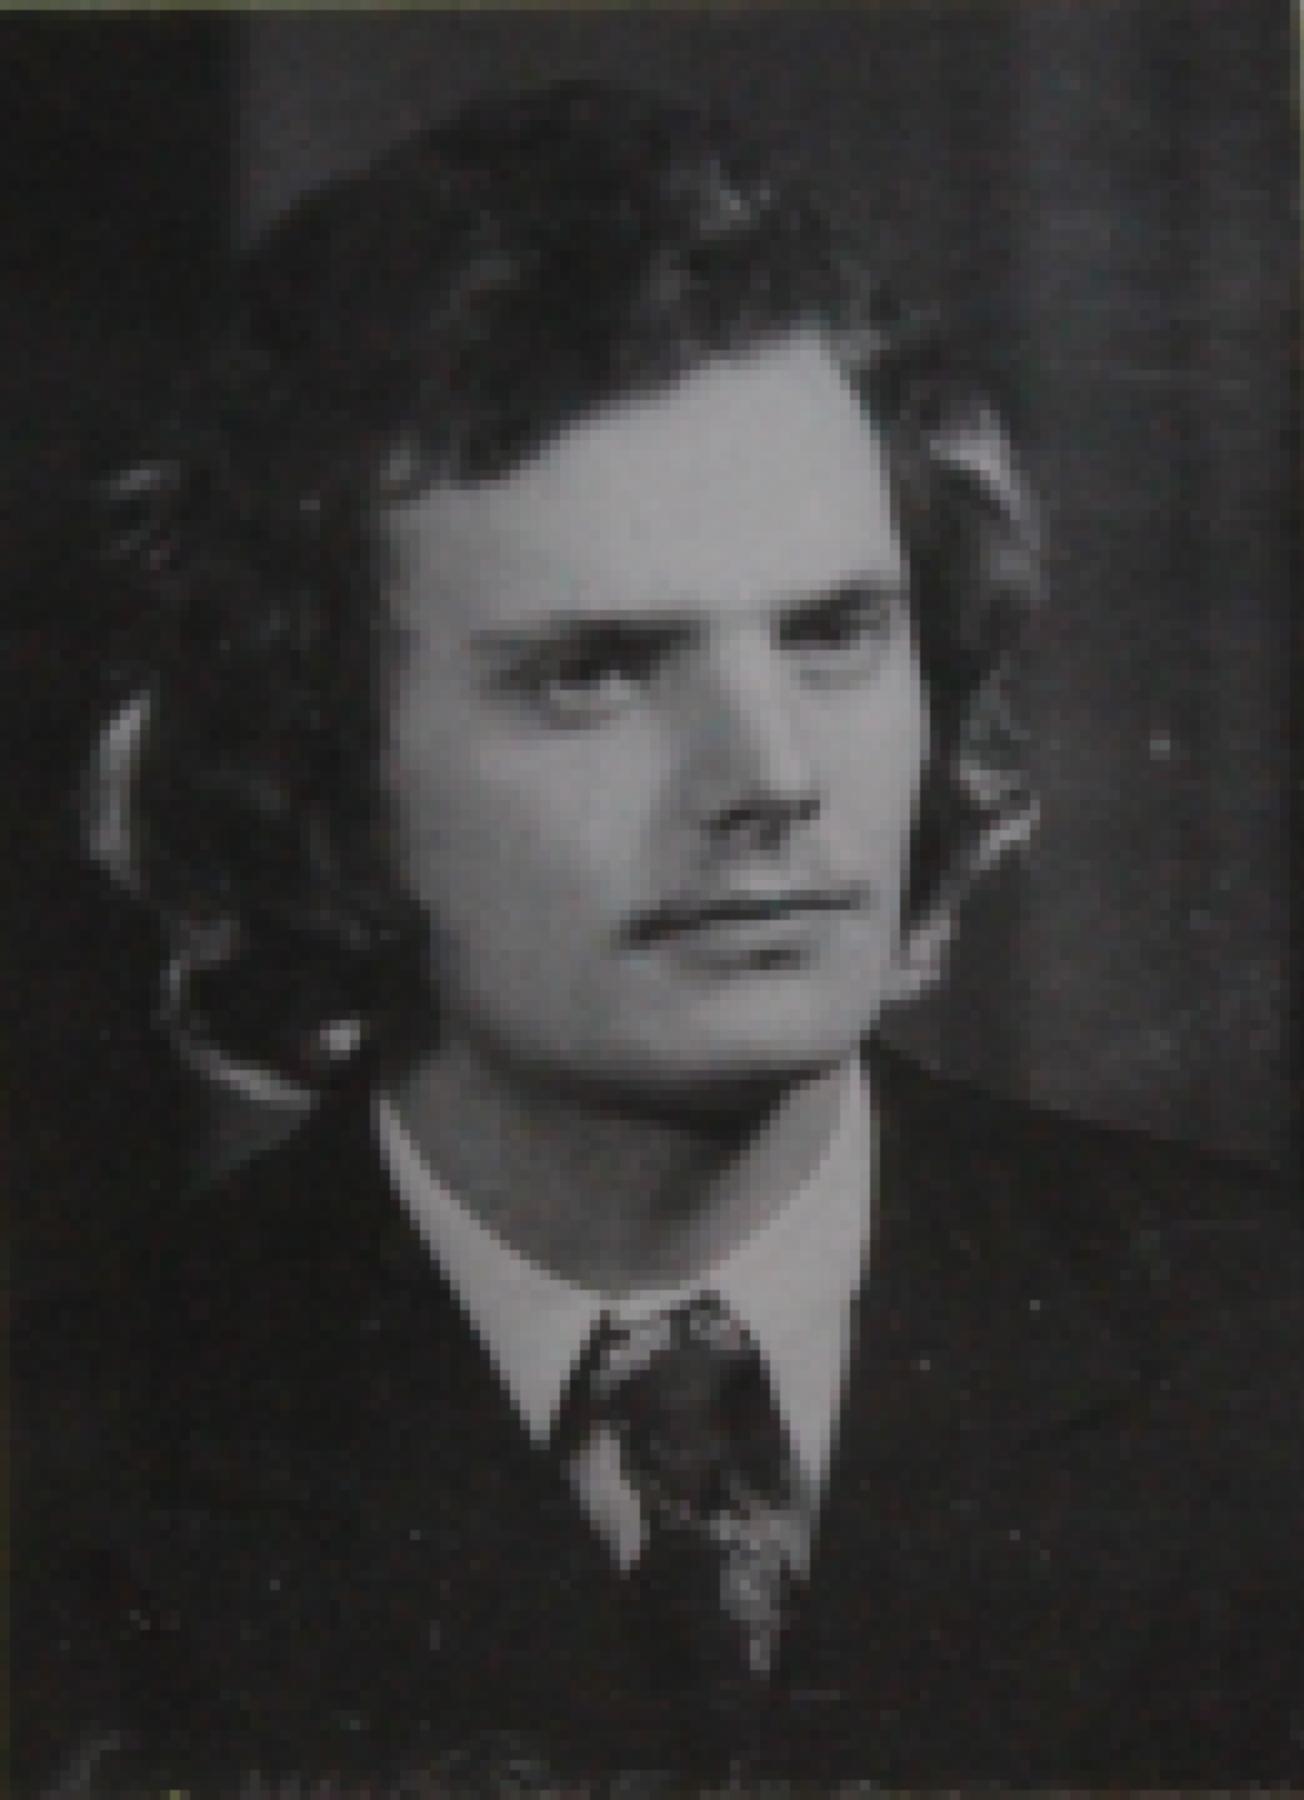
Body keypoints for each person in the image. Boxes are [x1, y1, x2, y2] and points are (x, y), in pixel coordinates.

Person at [17, 79, 1304, 1793]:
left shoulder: (1260, 1358)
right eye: (597, 672)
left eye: (835, 635)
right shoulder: (62, 1473)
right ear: (319, 762)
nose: (771, 778)